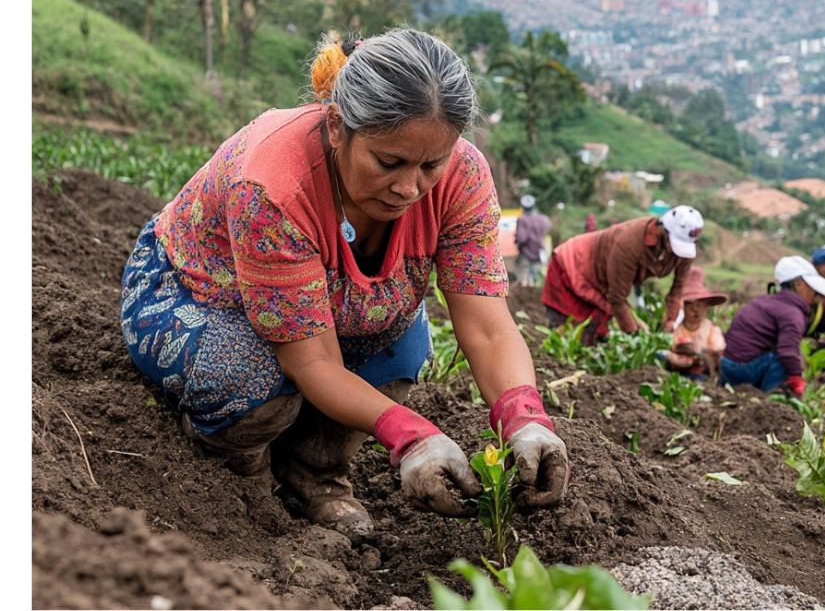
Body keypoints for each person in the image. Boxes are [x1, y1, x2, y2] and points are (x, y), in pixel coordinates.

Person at [119, 29, 569, 538]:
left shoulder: (463, 177)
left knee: (402, 351)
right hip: (194, 294)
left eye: (430, 165)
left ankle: (313, 472)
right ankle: (237, 475)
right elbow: (311, 359)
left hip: (334, 305)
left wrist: (523, 415)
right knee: (248, 377)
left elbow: (487, 326)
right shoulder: (273, 186)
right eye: (389, 162)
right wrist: (410, 434)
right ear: (337, 127)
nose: (408, 187)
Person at [541, 206, 702, 345]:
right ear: (663, 230)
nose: (677, 251)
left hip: (603, 281)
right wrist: (636, 335)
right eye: (674, 243)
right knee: (565, 333)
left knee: (594, 335)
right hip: (573, 266)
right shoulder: (629, 243)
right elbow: (617, 298)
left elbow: (677, 290)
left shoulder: (684, 252)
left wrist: (670, 320)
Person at [719, 256, 825, 395]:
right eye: (811, 288)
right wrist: (797, 379)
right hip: (742, 370)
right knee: (786, 360)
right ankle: (772, 398)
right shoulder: (792, 313)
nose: (814, 293)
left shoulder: (764, 301)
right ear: (799, 284)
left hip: (725, 366)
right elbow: (788, 351)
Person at [661, 268, 727, 380]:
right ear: (683, 306)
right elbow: (664, 351)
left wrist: (699, 353)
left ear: (707, 307)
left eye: (701, 305)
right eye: (690, 305)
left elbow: (717, 353)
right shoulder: (674, 329)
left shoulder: (712, 330)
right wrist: (675, 357)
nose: (695, 310)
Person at [514, 194, 551, 287]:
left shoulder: (522, 219)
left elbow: (522, 238)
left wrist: (518, 243)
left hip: (526, 252)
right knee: (535, 275)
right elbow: (547, 230)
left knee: (524, 275)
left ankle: (524, 295)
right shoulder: (542, 219)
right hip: (538, 250)